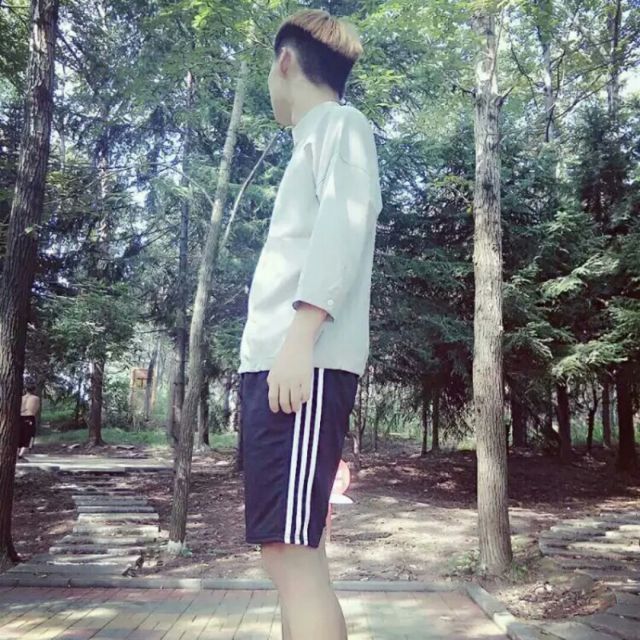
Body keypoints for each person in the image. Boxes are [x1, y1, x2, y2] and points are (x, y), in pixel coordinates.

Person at [238, 9, 382, 640]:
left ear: (286, 62)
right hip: (284, 364)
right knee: (292, 553)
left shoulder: (341, 126)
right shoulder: (313, 142)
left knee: (291, 555)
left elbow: (342, 232)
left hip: (303, 364)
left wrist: (298, 340)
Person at [18, 382, 41, 459]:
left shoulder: (21, 398)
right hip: (29, 418)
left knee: (19, 435)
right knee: (28, 436)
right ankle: (20, 455)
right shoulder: (36, 398)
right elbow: (36, 409)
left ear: (25, 389)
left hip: (20, 417)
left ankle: (17, 453)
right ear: (34, 390)